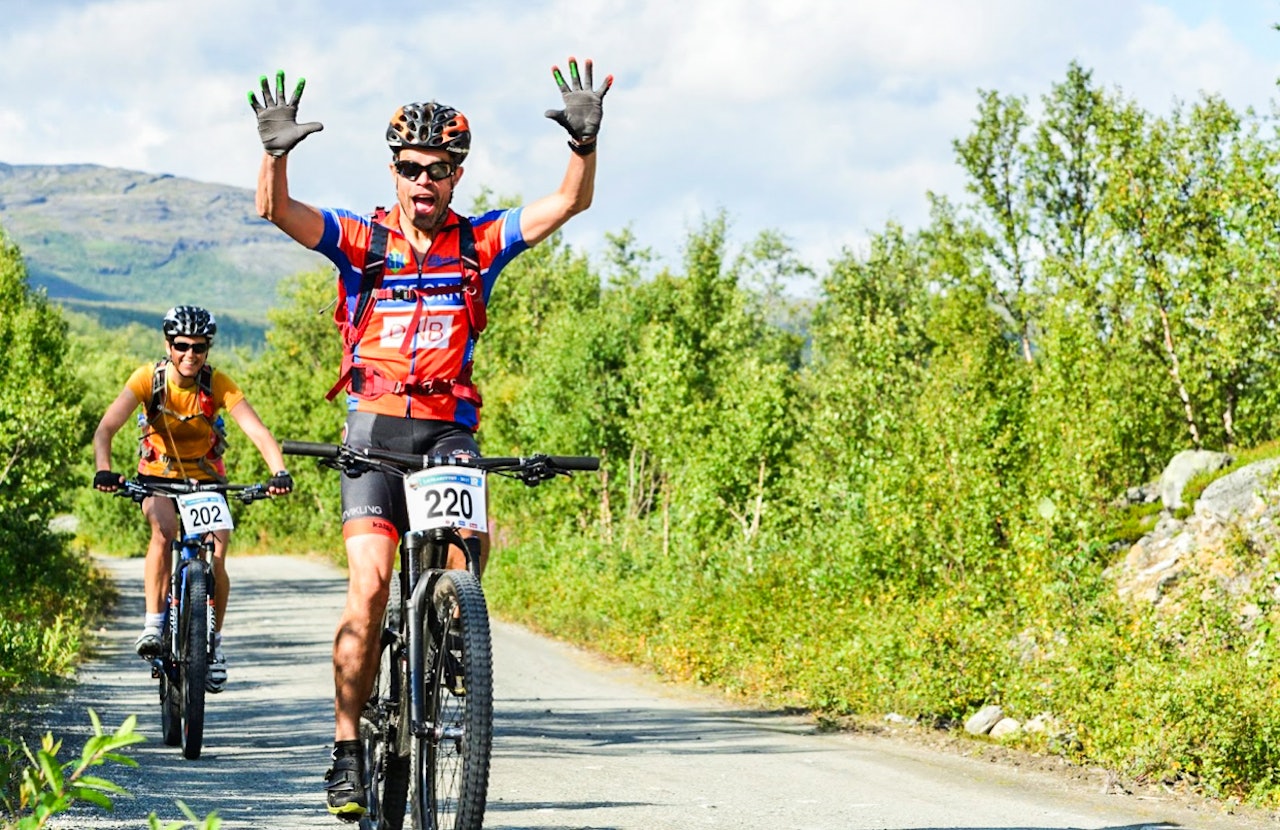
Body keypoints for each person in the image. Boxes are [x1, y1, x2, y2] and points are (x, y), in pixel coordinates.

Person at [247, 56, 612, 819]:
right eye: (412, 168)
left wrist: (583, 144)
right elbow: (278, 213)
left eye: (439, 170)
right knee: (370, 587)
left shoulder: (480, 245)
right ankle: (348, 751)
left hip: (449, 428)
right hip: (374, 426)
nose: (424, 182)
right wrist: (274, 157)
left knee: (467, 554)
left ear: (456, 175)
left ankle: (451, 635)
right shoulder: (361, 240)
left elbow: (565, 205)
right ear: (395, 171)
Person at [92, 305, 294, 693]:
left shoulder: (216, 382)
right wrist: (104, 467)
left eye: (198, 348)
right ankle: (153, 624)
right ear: (169, 344)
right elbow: (105, 429)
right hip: (157, 477)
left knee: (217, 551)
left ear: (207, 349)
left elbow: (257, 430)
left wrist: (279, 471)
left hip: (206, 479)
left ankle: (213, 645)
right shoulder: (147, 379)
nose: (190, 354)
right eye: (182, 346)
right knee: (163, 531)